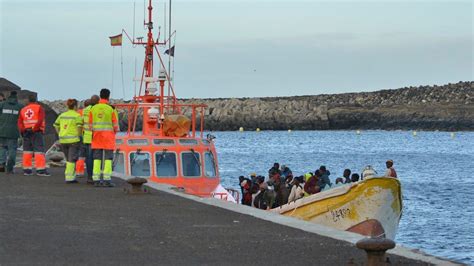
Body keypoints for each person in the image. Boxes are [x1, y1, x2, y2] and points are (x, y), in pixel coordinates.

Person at [89, 89, 119, 187]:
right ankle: (107, 179)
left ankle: (96, 179)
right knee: (108, 159)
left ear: (100, 96)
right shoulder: (111, 109)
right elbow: (115, 125)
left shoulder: (93, 108)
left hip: (97, 136)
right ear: (108, 97)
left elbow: (90, 125)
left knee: (97, 158)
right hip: (108, 137)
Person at [18, 94, 50, 176]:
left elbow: (20, 122)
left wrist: (23, 131)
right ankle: (40, 170)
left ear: (28, 100)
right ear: (36, 100)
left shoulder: (23, 109)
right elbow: (40, 120)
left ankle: (27, 170)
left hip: (26, 132)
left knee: (27, 151)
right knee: (39, 151)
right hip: (36, 132)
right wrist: (34, 129)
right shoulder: (39, 108)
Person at [54, 99, 83, 183]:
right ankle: (69, 177)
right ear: (75, 106)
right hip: (73, 140)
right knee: (71, 160)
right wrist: (79, 135)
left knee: (68, 159)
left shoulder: (62, 115)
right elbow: (79, 127)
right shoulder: (77, 116)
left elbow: (56, 125)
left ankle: (71, 176)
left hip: (63, 140)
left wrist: (59, 133)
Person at [0, 91, 23, 173]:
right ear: (16, 97)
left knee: (3, 148)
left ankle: (1, 164)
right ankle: (10, 167)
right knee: (12, 149)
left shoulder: (2, 104)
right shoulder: (20, 106)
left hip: (2, 131)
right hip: (14, 132)